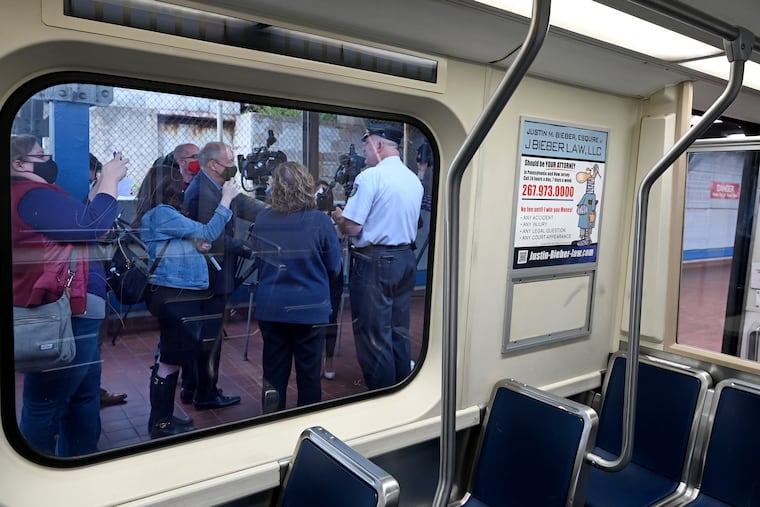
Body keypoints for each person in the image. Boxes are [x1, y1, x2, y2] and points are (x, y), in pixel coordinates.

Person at [12, 135, 128, 456]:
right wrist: (109, 179)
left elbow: (81, 223)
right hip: (64, 314)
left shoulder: (31, 196)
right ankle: (39, 472)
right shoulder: (31, 195)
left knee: (84, 396)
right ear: (17, 164)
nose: (47, 161)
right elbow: (94, 226)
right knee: (44, 405)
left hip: (77, 311)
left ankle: (80, 460)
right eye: (39, 156)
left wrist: (98, 193)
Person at [133, 165, 239, 437]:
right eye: (179, 182)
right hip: (175, 293)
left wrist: (193, 241)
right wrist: (226, 199)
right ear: (169, 187)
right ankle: (160, 423)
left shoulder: (160, 215)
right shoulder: (162, 213)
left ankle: (164, 417)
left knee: (170, 356)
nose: (184, 186)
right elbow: (210, 230)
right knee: (171, 358)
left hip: (174, 292)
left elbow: (192, 237)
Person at [331, 123, 423, 390]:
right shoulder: (412, 180)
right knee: (398, 329)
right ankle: (401, 387)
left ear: (379, 145)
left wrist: (339, 218)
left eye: (366, 144)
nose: (363, 150)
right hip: (405, 259)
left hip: (375, 262)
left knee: (373, 336)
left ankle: (381, 396)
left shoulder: (370, 177)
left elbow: (352, 227)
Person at [182, 141, 267, 409]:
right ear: (213, 165)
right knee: (210, 334)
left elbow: (241, 204)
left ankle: (193, 385)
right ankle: (206, 393)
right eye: (229, 162)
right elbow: (213, 237)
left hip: (212, 273)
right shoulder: (204, 193)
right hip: (210, 275)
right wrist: (248, 250)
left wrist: (274, 211)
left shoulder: (215, 185)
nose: (234, 167)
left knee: (203, 332)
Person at [253, 163, 342, 410]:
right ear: (307, 185)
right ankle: (307, 427)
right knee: (309, 375)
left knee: (273, 375)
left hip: (272, 307)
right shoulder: (320, 222)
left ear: (276, 188)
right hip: (310, 308)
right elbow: (334, 267)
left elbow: (260, 260)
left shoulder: (263, 218)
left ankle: (271, 425)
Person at [89, 153, 129, 409]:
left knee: (95, 344)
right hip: (83, 286)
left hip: (97, 281)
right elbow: (100, 230)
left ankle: (93, 391)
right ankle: (87, 395)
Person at [315, 179, 344, 379]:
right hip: (314, 272)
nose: (321, 198)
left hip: (332, 272)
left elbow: (342, 236)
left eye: (324, 195)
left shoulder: (335, 218)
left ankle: (330, 360)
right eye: (317, 195)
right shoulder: (307, 218)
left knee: (331, 317)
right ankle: (315, 359)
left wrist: (337, 220)